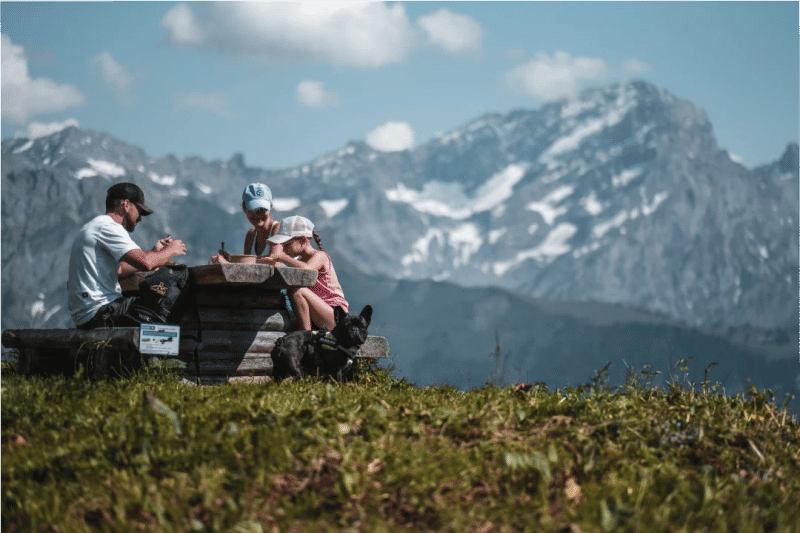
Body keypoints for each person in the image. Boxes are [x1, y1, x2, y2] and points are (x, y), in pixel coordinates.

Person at [67, 182, 187, 329]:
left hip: (89, 315)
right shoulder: (108, 227)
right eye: (139, 211)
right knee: (171, 284)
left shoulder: (94, 226)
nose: (140, 218)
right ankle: (168, 348)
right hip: (101, 313)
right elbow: (146, 263)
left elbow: (119, 270)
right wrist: (172, 250)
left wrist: (155, 253)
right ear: (126, 205)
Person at [261, 216, 348, 331]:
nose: (283, 247)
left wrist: (281, 257)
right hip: (319, 316)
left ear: (302, 240)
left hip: (337, 317)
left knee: (298, 291)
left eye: (286, 243)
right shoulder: (298, 262)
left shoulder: (320, 256)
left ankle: (305, 336)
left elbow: (307, 270)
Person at [209, 183, 281, 264]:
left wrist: (227, 264)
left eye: (262, 209)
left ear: (270, 207)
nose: (258, 214)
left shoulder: (278, 229)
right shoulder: (251, 235)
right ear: (244, 208)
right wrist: (230, 260)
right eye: (253, 210)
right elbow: (248, 269)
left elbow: (274, 264)